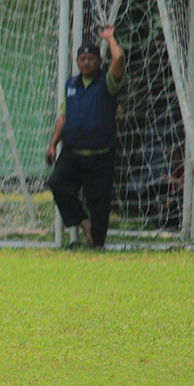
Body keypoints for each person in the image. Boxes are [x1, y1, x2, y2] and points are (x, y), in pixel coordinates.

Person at [45, 25, 126, 248]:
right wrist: (53, 144)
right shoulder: (70, 85)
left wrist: (110, 39)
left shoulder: (107, 82)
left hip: (100, 154)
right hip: (73, 152)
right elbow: (63, 117)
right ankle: (82, 221)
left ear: (99, 62)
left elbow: (118, 58)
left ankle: (96, 244)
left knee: (98, 202)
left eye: (91, 58)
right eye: (82, 58)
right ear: (78, 61)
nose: (87, 62)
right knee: (57, 183)